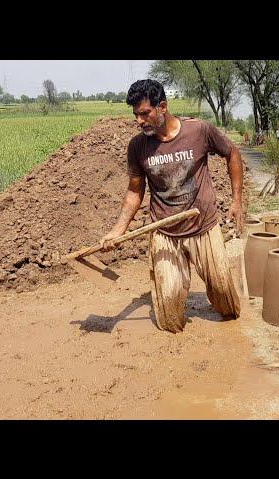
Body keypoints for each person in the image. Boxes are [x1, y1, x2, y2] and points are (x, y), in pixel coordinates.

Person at [99, 79, 243, 333]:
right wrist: (117, 231)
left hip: (203, 225)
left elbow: (232, 153)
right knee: (169, 318)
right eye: (136, 115)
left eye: (145, 113)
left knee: (226, 300)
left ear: (162, 106)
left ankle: (222, 297)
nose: (139, 121)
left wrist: (237, 201)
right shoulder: (138, 146)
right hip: (165, 232)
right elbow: (135, 191)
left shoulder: (199, 131)